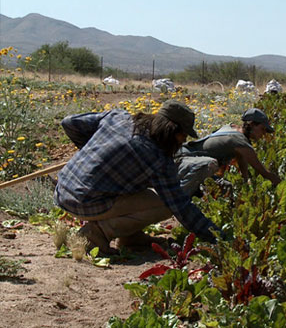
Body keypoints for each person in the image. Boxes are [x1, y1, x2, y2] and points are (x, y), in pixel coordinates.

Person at [54, 100, 221, 254]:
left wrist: (92, 152)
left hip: (63, 190)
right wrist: (218, 238)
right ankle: (95, 235)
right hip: (83, 203)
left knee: (144, 192)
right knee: (165, 205)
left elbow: (69, 122)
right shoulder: (158, 157)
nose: (183, 141)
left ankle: (130, 237)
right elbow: (180, 206)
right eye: (183, 136)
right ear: (171, 129)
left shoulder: (119, 117)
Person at [176, 108, 282, 198]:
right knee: (222, 186)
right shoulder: (238, 140)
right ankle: (177, 200)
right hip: (184, 161)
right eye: (263, 129)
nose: (263, 134)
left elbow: (241, 159)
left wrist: (246, 181)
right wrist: (282, 183)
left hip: (189, 160)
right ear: (251, 124)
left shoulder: (233, 128)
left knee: (224, 187)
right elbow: (263, 172)